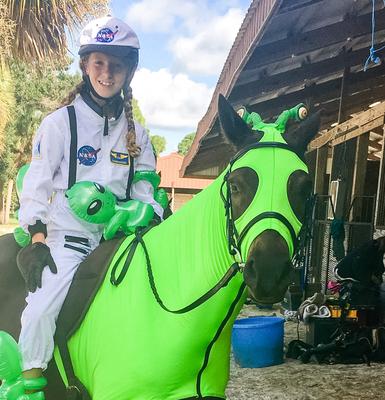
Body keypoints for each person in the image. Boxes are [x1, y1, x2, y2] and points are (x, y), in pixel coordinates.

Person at [15, 16, 163, 390]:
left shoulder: (139, 135)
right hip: (68, 242)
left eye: (116, 65)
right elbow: (36, 183)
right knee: (40, 311)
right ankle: (29, 385)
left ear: (130, 70)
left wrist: (144, 211)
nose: (107, 73)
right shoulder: (59, 123)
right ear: (85, 65)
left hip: (119, 244)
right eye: (99, 63)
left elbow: (145, 191)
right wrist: (36, 237)